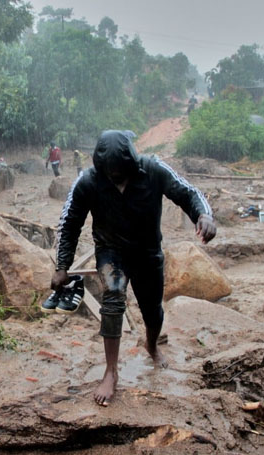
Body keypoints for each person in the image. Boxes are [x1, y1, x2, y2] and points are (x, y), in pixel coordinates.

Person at [51, 130, 216, 407]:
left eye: (121, 172)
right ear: (100, 166)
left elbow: (187, 192)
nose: (116, 177)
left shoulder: (152, 169)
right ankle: (111, 372)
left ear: (132, 162)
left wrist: (204, 215)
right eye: (110, 173)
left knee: (153, 311)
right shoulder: (88, 181)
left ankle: (151, 345)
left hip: (148, 252)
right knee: (113, 297)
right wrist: (62, 265)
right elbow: (69, 223)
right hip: (110, 251)